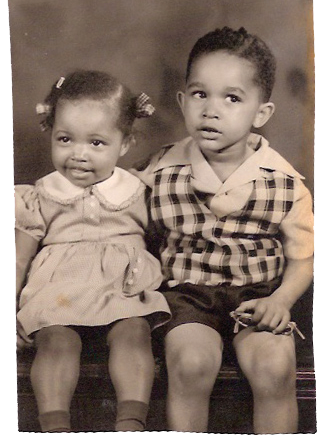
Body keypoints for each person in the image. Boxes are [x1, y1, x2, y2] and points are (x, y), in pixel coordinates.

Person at [131, 26, 314, 433]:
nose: (211, 110)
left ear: (261, 113)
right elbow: (122, 217)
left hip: (258, 296)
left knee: (274, 367)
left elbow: (304, 257)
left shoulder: (283, 183)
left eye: (232, 98)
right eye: (200, 94)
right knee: (191, 364)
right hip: (187, 296)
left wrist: (281, 300)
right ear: (182, 101)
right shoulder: (158, 169)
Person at [14, 70, 171, 433]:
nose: (79, 155)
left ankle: (130, 424)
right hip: (60, 291)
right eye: (65, 139)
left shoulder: (138, 190)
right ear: (50, 133)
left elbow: (168, 239)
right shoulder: (40, 195)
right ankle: (55, 427)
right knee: (55, 342)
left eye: (97, 143)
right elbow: (19, 257)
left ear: (126, 143)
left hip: (122, 287)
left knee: (133, 333)